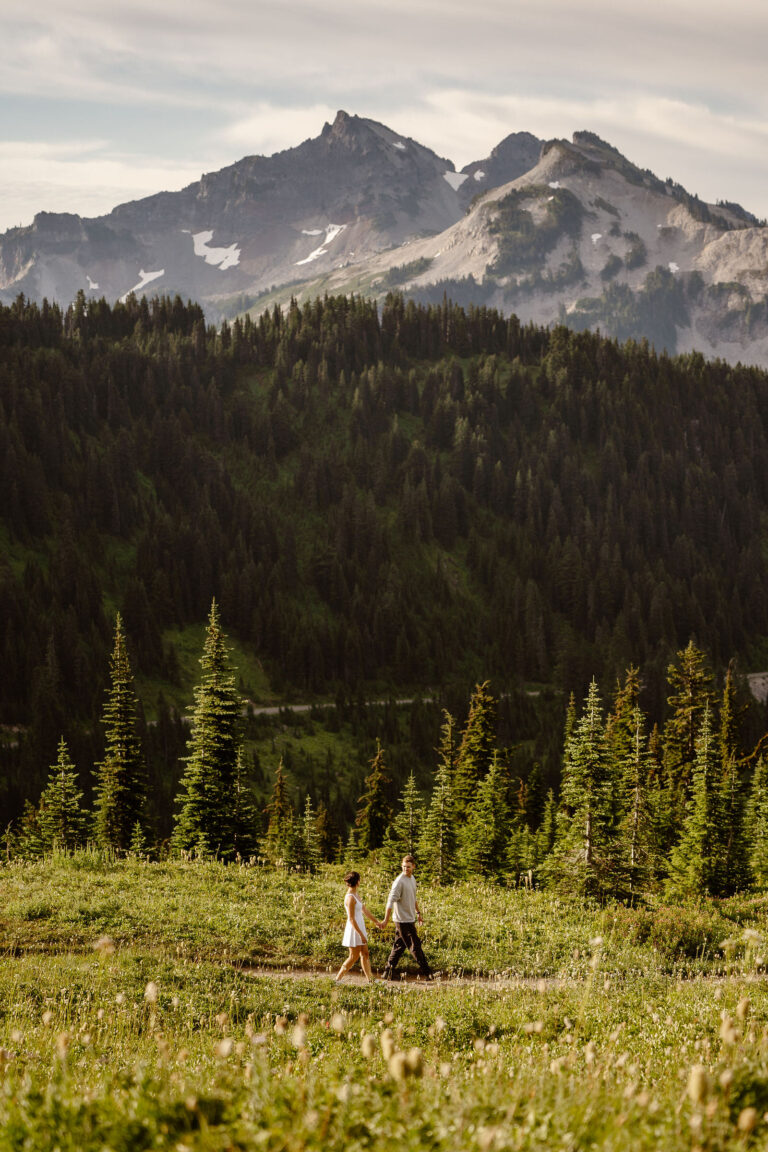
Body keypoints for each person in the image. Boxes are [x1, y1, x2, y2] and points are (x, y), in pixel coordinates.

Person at [380, 854, 433, 980]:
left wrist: (418, 913)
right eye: (404, 867)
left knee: (399, 946)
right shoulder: (399, 882)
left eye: (408, 867)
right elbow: (390, 901)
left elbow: (413, 898)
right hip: (402, 920)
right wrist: (385, 920)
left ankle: (388, 972)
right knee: (415, 946)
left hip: (409, 918)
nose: (406, 869)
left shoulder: (412, 879)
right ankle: (428, 973)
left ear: (413, 866)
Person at [335, 871, 382, 984]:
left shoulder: (356, 895)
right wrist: (361, 934)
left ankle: (371, 981)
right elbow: (351, 919)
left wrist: (377, 922)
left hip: (360, 927)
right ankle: (337, 979)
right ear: (358, 882)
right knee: (353, 956)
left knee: (365, 954)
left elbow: (364, 910)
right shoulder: (350, 898)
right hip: (354, 929)